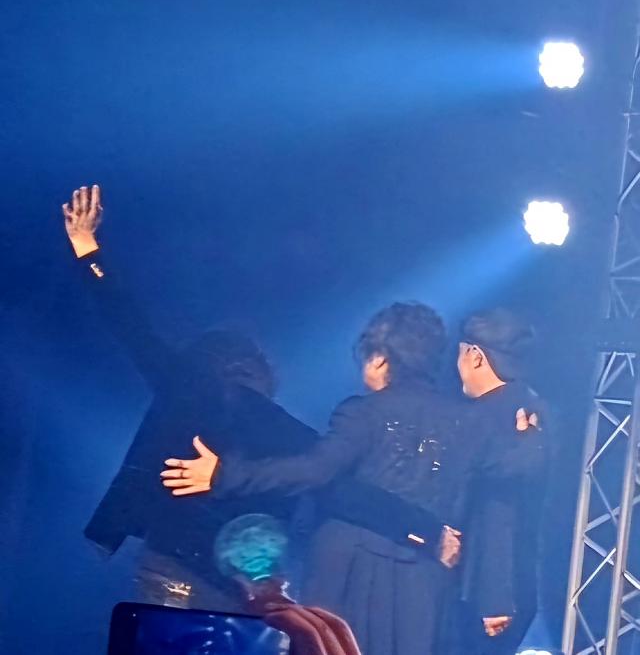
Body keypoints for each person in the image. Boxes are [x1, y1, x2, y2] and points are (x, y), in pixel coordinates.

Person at [62, 184, 457, 614]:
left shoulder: (187, 391)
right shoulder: (279, 427)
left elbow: (132, 328)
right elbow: (343, 490)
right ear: (259, 369)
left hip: (172, 569)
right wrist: (424, 530)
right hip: (237, 590)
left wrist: (88, 251)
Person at [162, 302, 469, 655]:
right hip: (424, 574)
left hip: (349, 568)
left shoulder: (364, 411)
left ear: (380, 358)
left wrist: (227, 475)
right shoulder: (463, 421)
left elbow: (315, 470)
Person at [449, 308, 549, 654]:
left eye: (460, 354)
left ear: (476, 356)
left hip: (483, 590)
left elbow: (499, 513)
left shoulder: (484, 417)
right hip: (516, 583)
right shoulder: (533, 409)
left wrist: (494, 596)